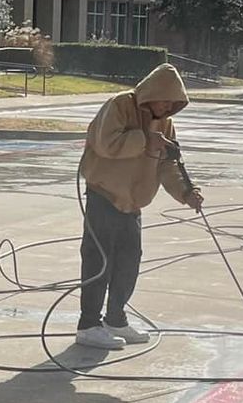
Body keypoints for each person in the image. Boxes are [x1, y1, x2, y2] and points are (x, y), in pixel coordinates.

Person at [75, 62, 204, 350]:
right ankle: (88, 325)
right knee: (99, 262)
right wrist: (146, 141)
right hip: (104, 196)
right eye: (165, 99)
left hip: (133, 204)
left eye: (174, 102)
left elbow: (169, 165)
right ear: (151, 92)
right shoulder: (120, 105)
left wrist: (187, 192)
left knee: (129, 262)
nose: (169, 106)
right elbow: (106, 143)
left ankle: (115, 318)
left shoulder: (166, 123)